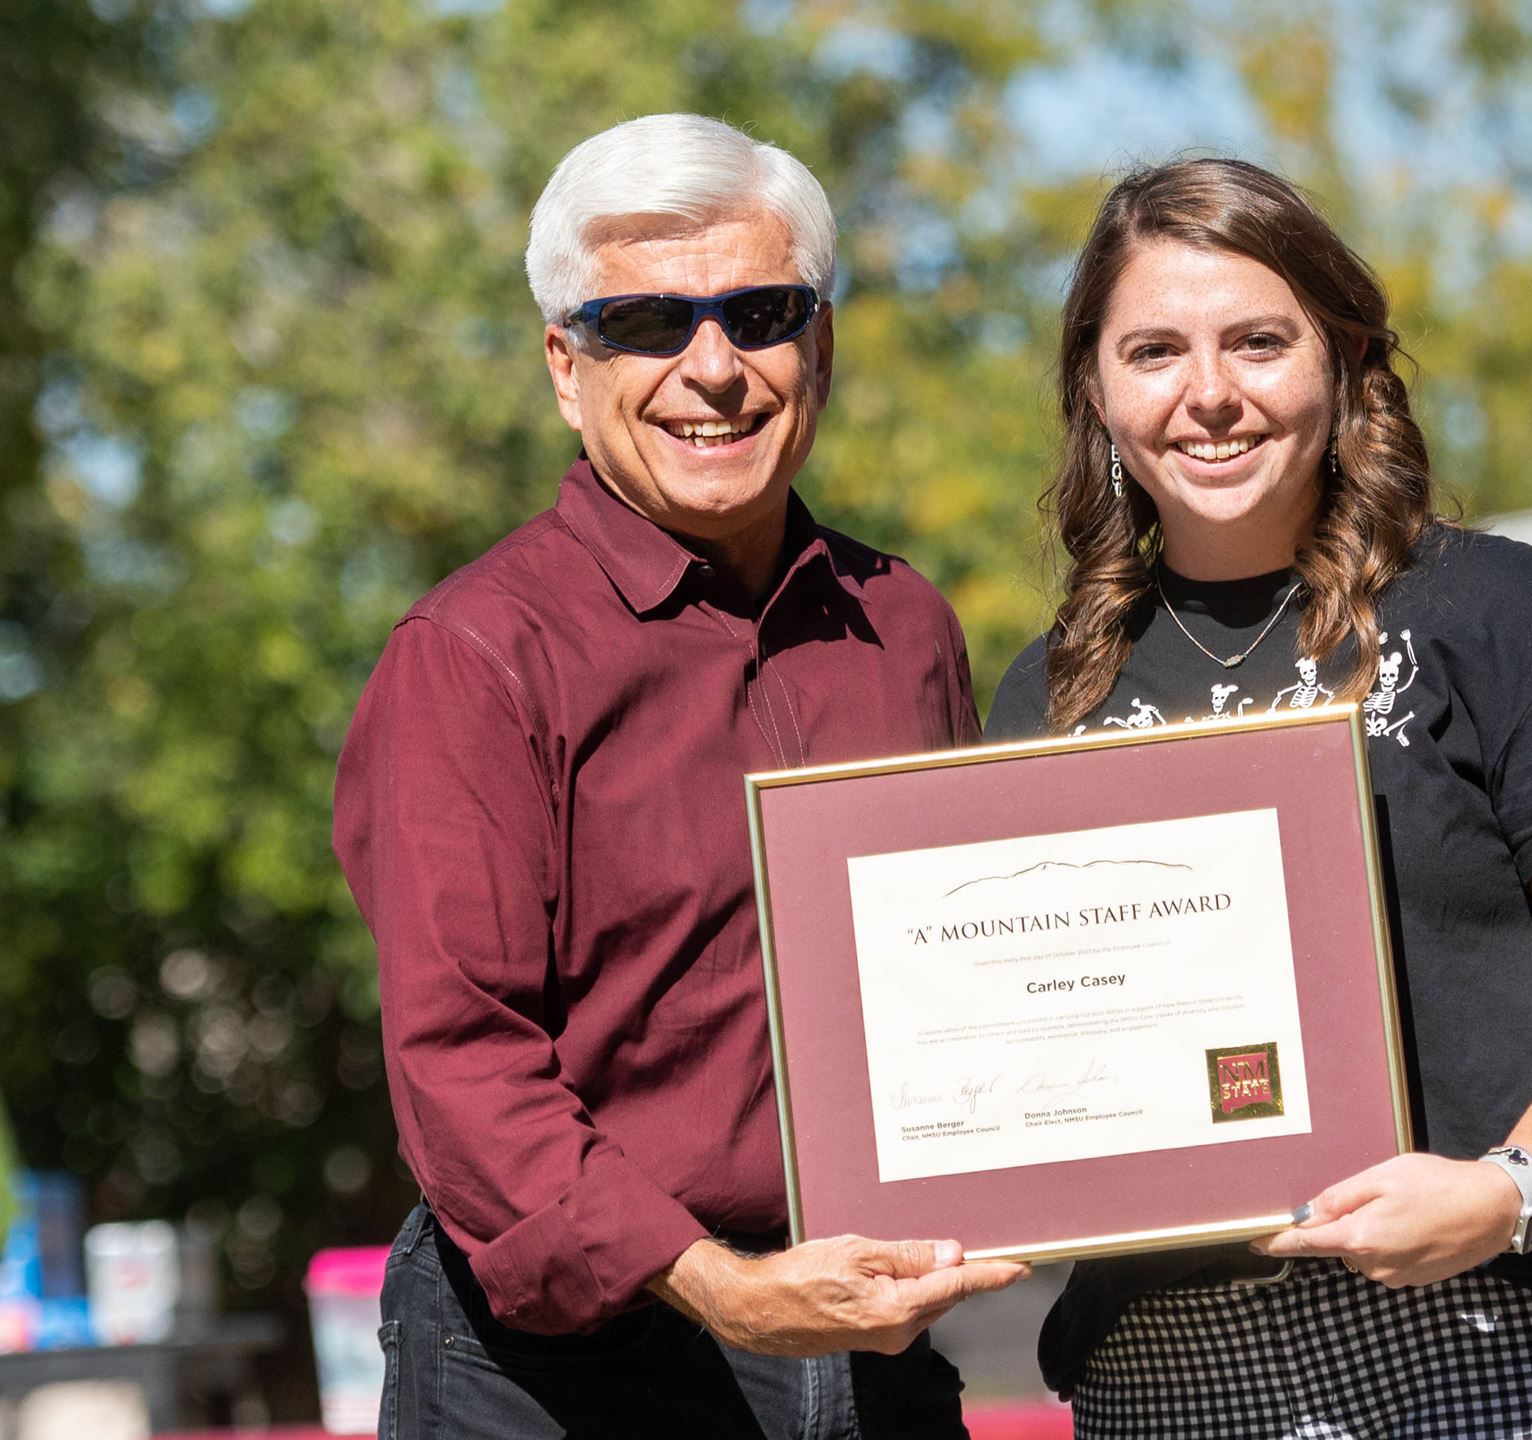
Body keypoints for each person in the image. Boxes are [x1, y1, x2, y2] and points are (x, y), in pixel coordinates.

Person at [985, 158, 1532, 1438]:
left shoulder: (1522, 623)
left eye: (1259, 343)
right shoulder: (1045, 696)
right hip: (1172, 1365)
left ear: (1344, 358)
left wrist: (1508, 1192)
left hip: (1512, 1337)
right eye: (1154, 351)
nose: (1209, 395)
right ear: (1095, 390)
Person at [334, 114, 1024, 1440]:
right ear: (564, 366)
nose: (712, 368)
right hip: (568, 1369)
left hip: (873, 1334)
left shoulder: (907, 627)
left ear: (817, 344)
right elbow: (463, 1066)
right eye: (646, 323)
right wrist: (728, 1289)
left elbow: (971, 980)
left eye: (759, 312)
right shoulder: (473, 656)